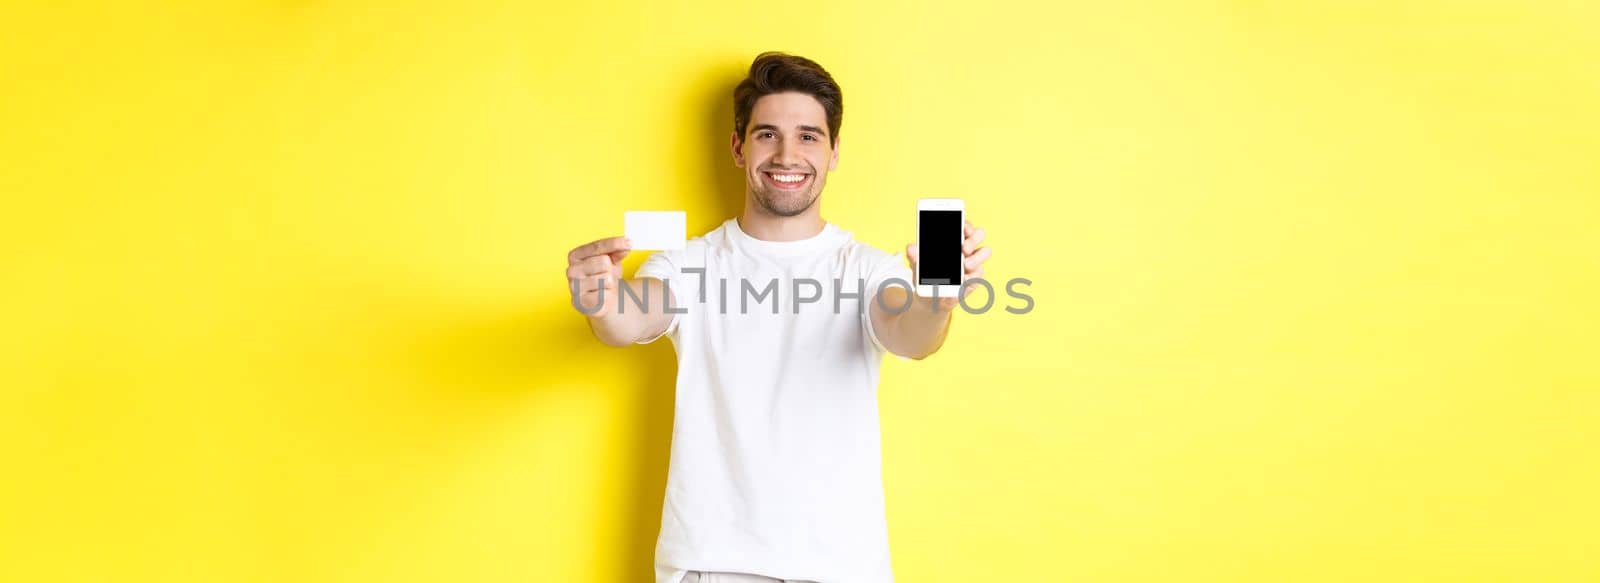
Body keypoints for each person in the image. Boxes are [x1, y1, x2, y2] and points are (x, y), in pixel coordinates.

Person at [564, 52, 991, 583]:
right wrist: (600, 300)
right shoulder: (688, 263)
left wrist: (937, 300)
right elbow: (627, 321)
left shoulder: (868, 270)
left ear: (834, 152)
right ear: (739, 148)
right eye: (767, 134)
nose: (788, 154)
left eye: (809, 136)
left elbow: (912, 336)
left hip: (840, 568)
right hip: (711, 567)